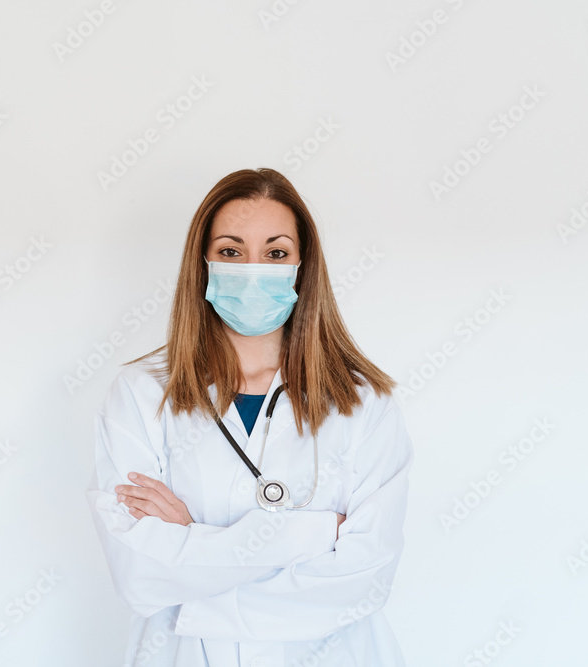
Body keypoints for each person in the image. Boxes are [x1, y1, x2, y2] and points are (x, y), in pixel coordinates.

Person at [85, 167, 414, 666]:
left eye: (275, 253)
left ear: (303, 266)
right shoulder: (140, 394)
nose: (253, 268)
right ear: (205, 263)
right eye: (231, 252)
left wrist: (191, 542)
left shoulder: (363, 403)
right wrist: (318, 533)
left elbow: (362, 579)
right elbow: (140, 574)